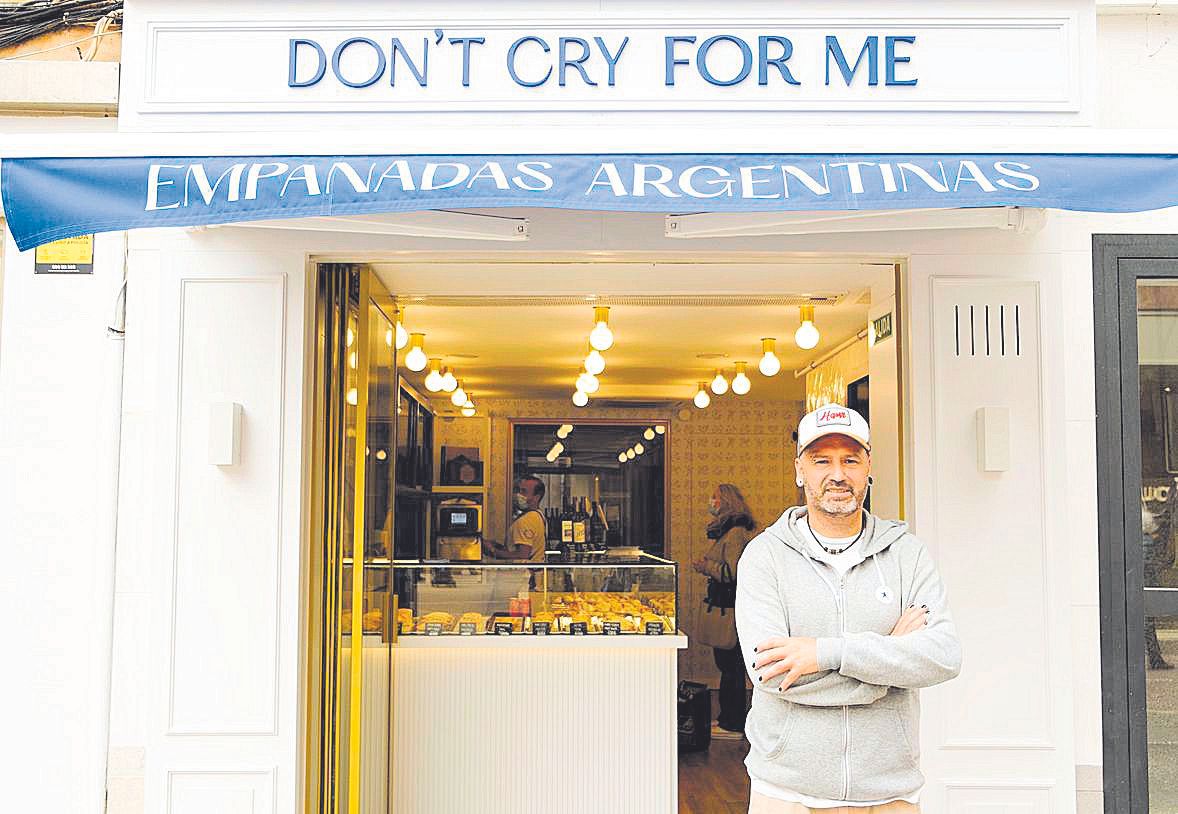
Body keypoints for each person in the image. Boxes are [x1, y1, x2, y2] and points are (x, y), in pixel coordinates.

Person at [736, 403, 961, 813]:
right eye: (822, 460)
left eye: (850, 460)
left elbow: (943, 656)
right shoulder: (764, 556)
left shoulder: (907, 555)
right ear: (799, 469)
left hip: (889, 793)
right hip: (786, 791)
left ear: (868, 467)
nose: (837, 474)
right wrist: (888, 661)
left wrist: (823, 653)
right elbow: (770, 674)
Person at [693, 483, 757, 740]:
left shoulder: (734, 534)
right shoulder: (729, 533)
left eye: (716, 498)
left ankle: (733, 722)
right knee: (727, 664)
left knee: (731, 665)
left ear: (727, 502)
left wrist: (706, 566)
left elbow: (733, 573)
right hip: (727, 606)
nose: (712, 502)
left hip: (729, 608)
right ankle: (729, 719)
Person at [483, 475, 547, 562]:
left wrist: (493, 551)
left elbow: (522, 555)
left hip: (525, 574)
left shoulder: (526, 520)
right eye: (519, 490)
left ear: (536, 497)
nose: (519, 495)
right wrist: (497, 546)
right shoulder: (538, 516)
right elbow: (518, 549)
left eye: (524, 491)